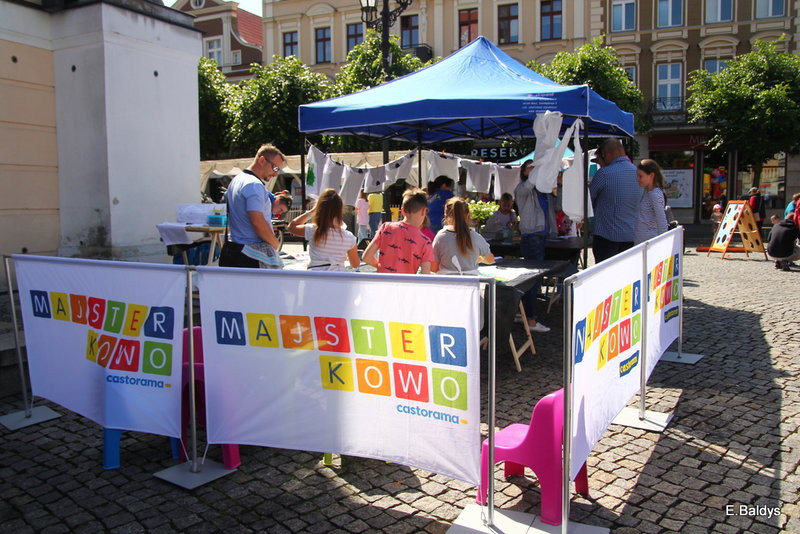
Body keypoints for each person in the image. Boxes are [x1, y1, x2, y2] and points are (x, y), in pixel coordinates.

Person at [219, 144, 291, 268]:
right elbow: (257, 222)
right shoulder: (254, 185)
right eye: (275, 168)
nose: (275, 174)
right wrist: (275, 243)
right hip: (251, 256)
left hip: (235, 249)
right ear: (262, 160)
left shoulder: (236, 180)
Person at [514, 159, 556, 333]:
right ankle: (530, 319)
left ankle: (523, 313)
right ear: (524, 172)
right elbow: (529, 184)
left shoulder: (543, 190)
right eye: (530, 167)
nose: (534, 169)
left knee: (535, 278)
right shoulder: (522, 188)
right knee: (533, 279)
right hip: (531, 237)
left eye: (535, 166)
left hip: (541, 236)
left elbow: (556, 207)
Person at [589, 138, 643, 263]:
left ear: (606, 154)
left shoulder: (604, 173)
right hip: (631, 235)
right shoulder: (638, 174)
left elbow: (588, 200)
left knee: (605, 272)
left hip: (606, 237)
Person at [363, 188, 434, 274]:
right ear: (423, 211)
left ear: (402, 211)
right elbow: (426, 274)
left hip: (383, 281)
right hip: (406, 282)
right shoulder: (425, 242)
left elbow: (366, 257)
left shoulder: (386, 228)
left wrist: (382, 266)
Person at [288, 189, 359, 271]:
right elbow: (355, 264)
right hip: (338, 276)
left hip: (315, 275)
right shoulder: (349, 237)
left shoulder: (313, 230)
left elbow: (291, 227)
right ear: (340, 210)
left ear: (319, 209)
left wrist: (312, 211)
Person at [432, 197, 494, 275]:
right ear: (468, 215)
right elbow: (490, 259)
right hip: (472, 281)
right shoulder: (476, 237)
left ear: (446, 215)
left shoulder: (440, 237)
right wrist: (480, 259)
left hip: (446, 281)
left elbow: (433, 268)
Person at [633, 159, 669, 245]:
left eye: (640, 176)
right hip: (643, 244)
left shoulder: (655, 194)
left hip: (650, 245)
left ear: (651, 175)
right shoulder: (648, 192)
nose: (637, 179)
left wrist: (663, 244)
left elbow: (662, 222)